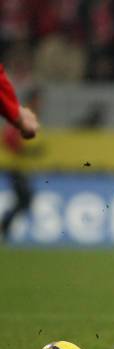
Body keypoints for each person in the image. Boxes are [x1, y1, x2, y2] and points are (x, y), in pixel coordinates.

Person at [1, 65, 39, 242]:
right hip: (14, 166)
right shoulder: (23, 116)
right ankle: (4, 227)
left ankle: (4, 228)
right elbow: (9, 137)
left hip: (20, 166)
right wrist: (23, 150)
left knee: (25, 199)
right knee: (25, 198)